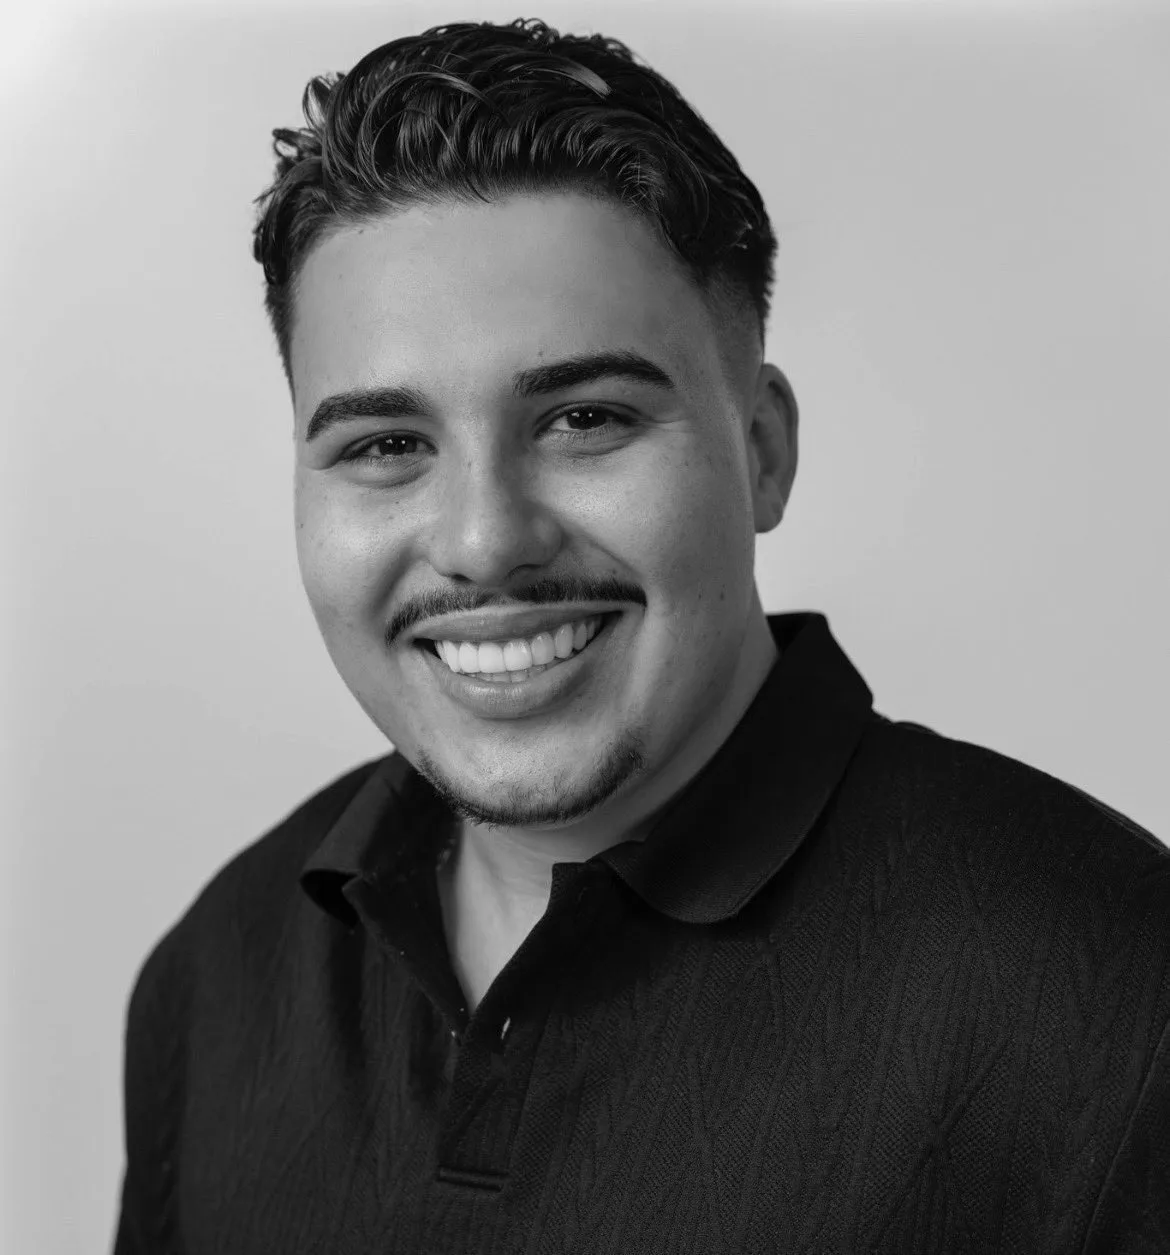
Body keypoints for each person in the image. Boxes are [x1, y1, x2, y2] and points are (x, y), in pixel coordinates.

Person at [113, 18, 1169, 1253]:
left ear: (761, 451)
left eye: (585, 419)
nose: (485, 541)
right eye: (387, 444)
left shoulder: (1112, 990)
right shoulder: (220, 971)